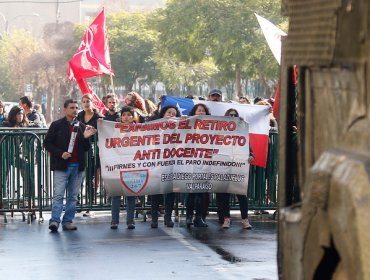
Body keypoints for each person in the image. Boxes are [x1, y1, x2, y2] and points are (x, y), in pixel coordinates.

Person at [44, 99, 97, 232]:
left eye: (76, 108)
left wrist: (86, 137)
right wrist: (60, 153)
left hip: (77, 166)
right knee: (58, 195)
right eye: (72, 107)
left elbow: (86, 148)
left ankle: (67, 221)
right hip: (62, 166)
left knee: (73, 196)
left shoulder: (81, 126)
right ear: (65, 109)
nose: (75, 110)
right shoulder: (56, 125)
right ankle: (55, 221)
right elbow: (47, 143)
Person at [220, 108, 253, 229]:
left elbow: (250, 150)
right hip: (224, 167)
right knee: (224, 195)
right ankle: (226, 219)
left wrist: (251, 156)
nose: (233, 117)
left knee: (241, 194)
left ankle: (245, 220)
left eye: (235, 115)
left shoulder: (242, 133)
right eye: (230, 115)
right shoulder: (220, 133)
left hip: (239, 167)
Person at [150, 105, 181, 228]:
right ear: (163, 114)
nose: (171, 115)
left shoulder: (179, 128)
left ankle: (168, 217)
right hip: (157, 163)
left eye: (174, 113)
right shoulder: (155, 127)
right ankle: (154, 218)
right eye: (169, 112)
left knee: (170, 192)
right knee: (155, 191)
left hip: (172, 164)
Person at [110, 106, 137, 230]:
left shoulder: (139, 129)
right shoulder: (116, 129)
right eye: (124, 115)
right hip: (118, 165)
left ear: (133, 117)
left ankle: (130, 221)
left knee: (131, 194)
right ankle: (114, 220)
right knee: (116, 194)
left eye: (128, 115)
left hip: (132, 165)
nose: (126, 117)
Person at [77, 94, 104, 214]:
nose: (86, 103)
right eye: (84, 102)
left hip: (94, 150)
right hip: (80, 150)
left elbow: (103, 133)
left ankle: (90, 204)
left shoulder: (99, 117)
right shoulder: (79, 116)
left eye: (88, 101)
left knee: (91, 177)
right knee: (77, 177)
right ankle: (77, 202)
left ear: (92, 102)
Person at [185, 103, 210, 228]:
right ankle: (189, 217)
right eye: (198, 110)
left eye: (203, 111)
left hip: (205, 163)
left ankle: (199, 218)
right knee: (192, 192)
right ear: (194, 113)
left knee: (201, 193)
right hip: (191, 162)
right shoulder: (188, 125)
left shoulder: (212, 127)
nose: (201, 113)